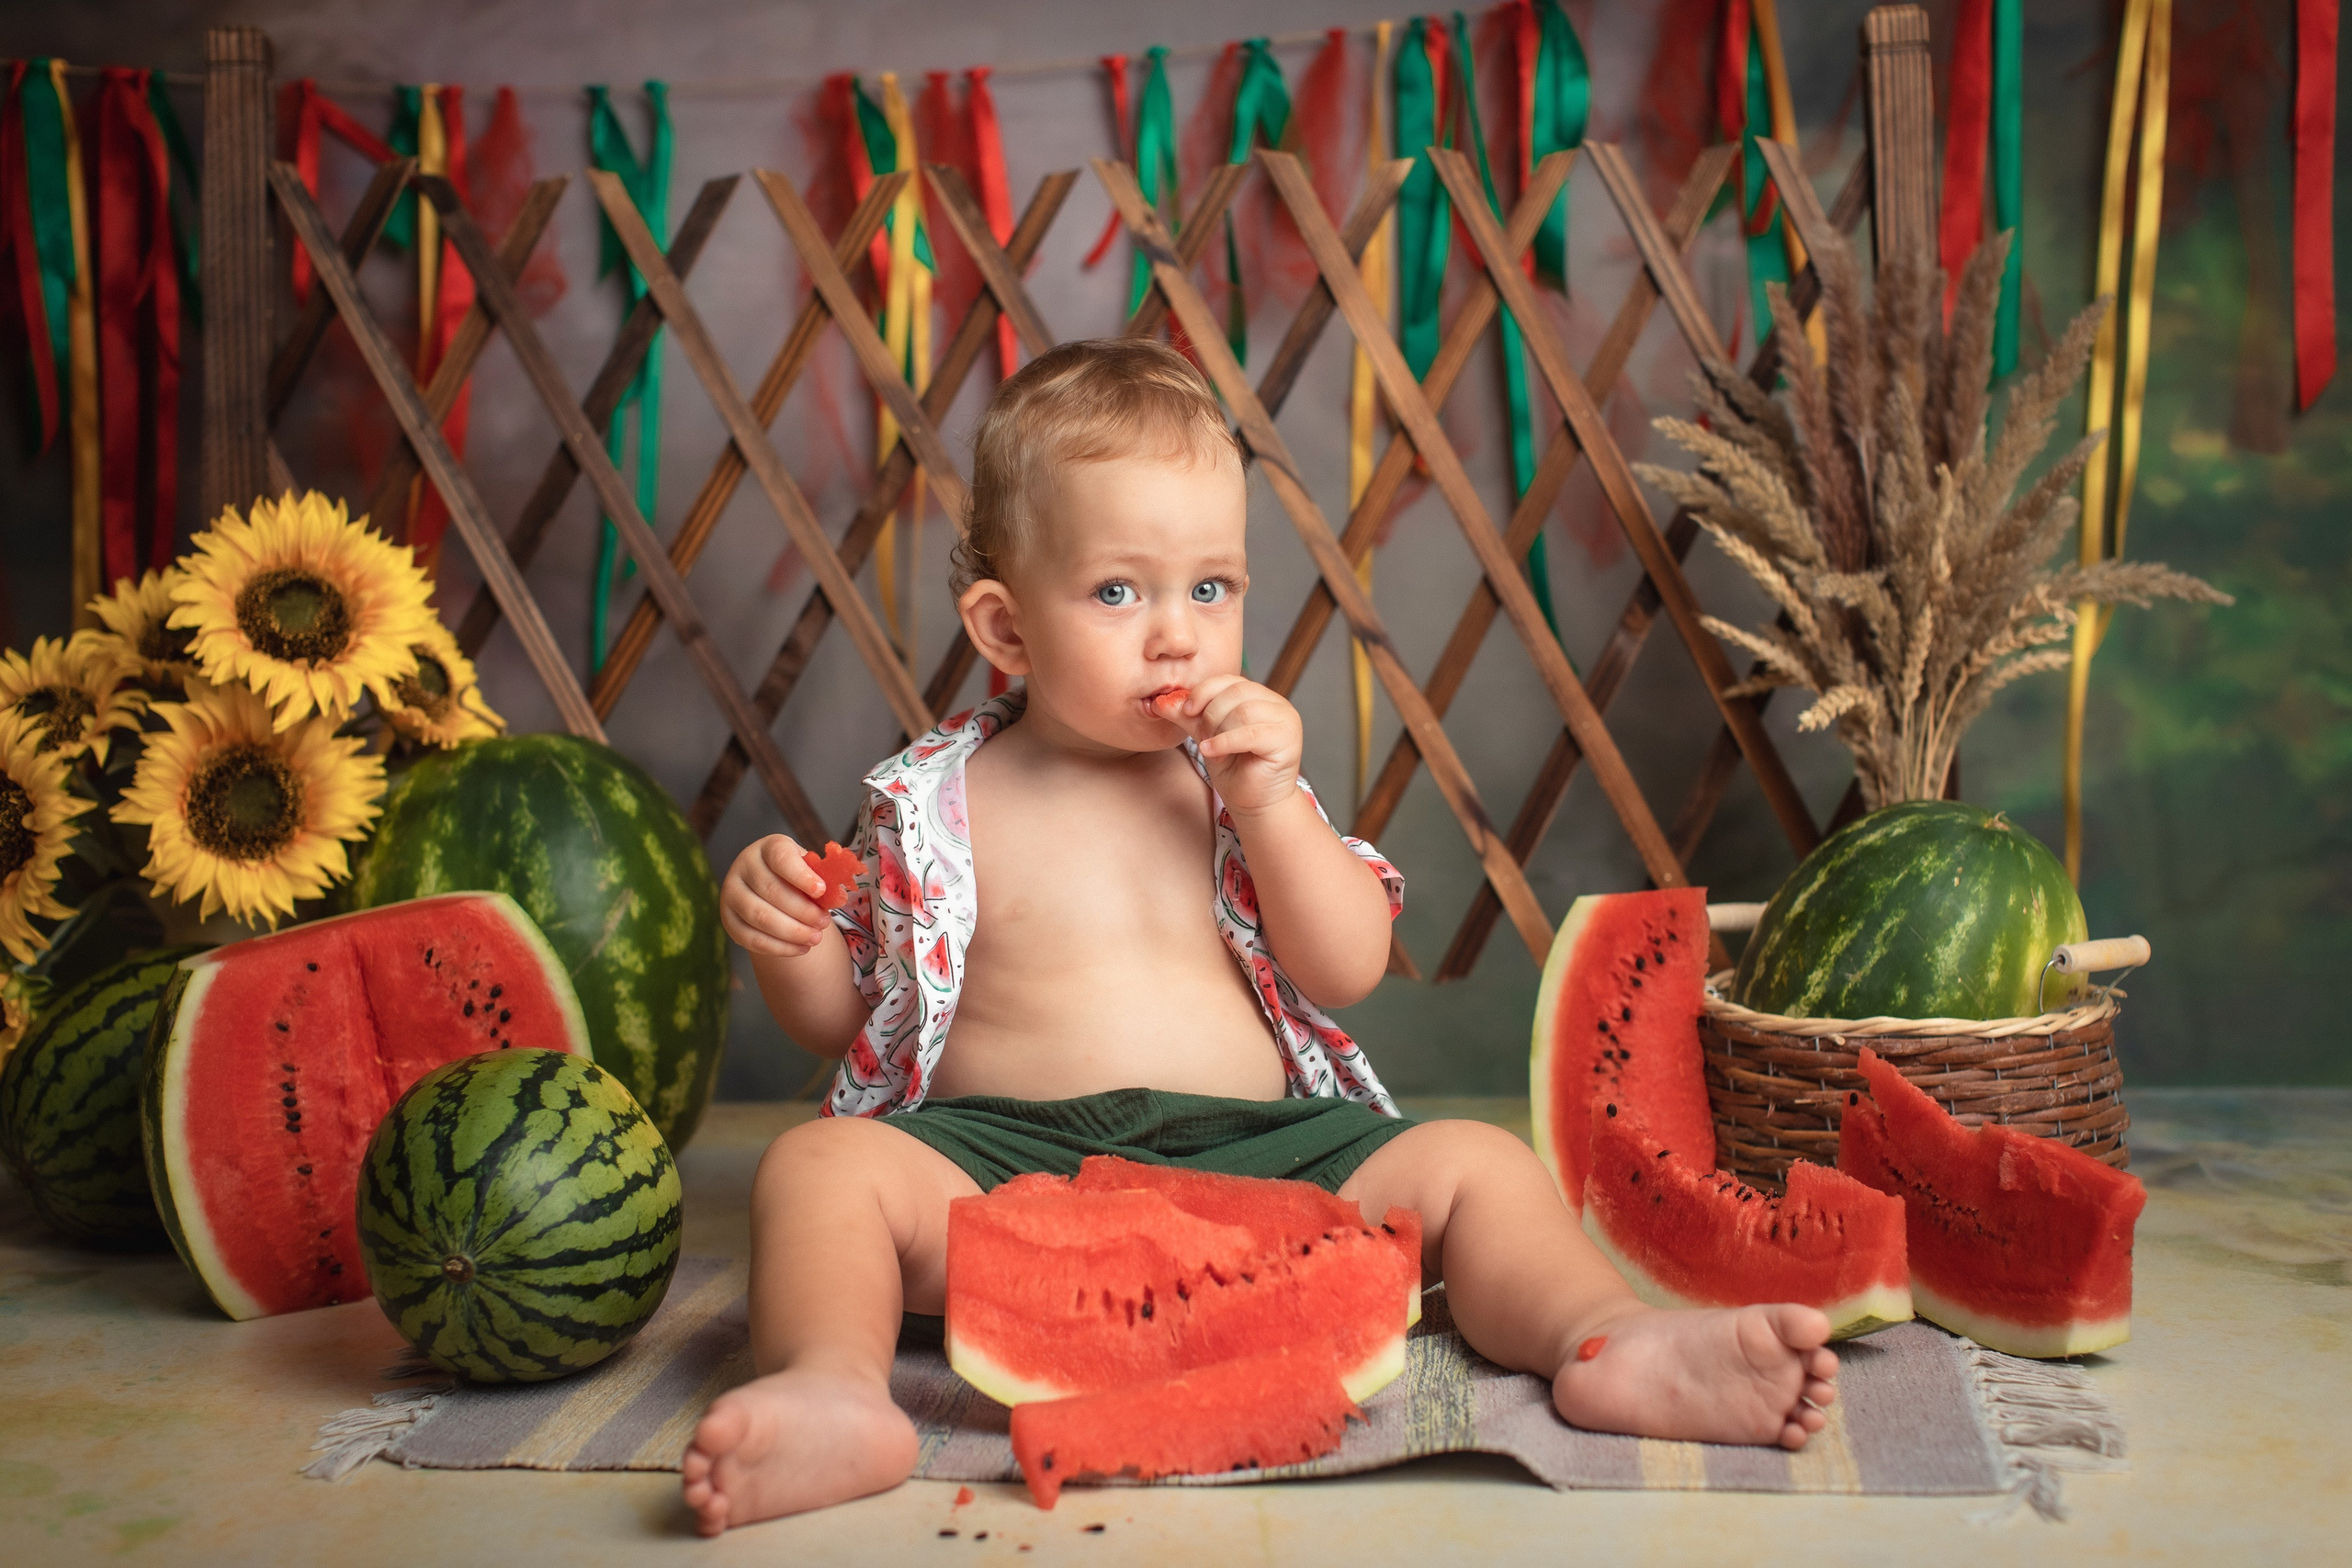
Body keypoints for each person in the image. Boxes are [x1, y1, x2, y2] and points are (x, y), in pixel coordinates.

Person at [683, 339, 1837, 1533]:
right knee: (818, 1171)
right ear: (1006, 628)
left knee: (1478, 1167)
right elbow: (848, 1022)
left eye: (1212, 589)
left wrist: (1276, 805)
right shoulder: (931, 801)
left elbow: (1344, 968)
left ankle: (1609, 1341)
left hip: (1264, 1152)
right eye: (1118, 593)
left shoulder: (1240, 785)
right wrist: (793, 941)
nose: (1176, 634)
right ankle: (830, 1389)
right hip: (996, 1160)